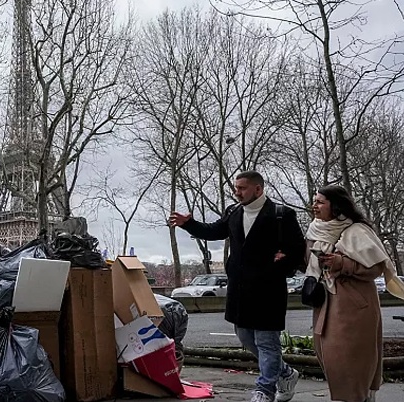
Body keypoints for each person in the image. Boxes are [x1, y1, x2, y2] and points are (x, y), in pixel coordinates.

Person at [169, 171, 306, 402]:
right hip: (240, 289)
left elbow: (297, 249)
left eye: (242, 188)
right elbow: (213, 231)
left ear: (258, 189)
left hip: (268, 290)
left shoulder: (281, 214)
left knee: (266, 341)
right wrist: (188, 224)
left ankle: (264, 391)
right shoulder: (233, 212)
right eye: (236, 187)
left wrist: (281, 266)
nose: (237, 192)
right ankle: (285, 373)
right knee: (245, 338)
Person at [306, 185, 404, 402]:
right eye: (315, 201)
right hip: (325, 303)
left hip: (354, 306)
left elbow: (376, 268)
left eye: (321, 201)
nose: (315, 205)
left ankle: (359, 397)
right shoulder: (315, 230)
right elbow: (308, 263)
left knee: (353, 360)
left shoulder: (357, 231)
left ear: (336, 206)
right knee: (330, 357)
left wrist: (342, 263)